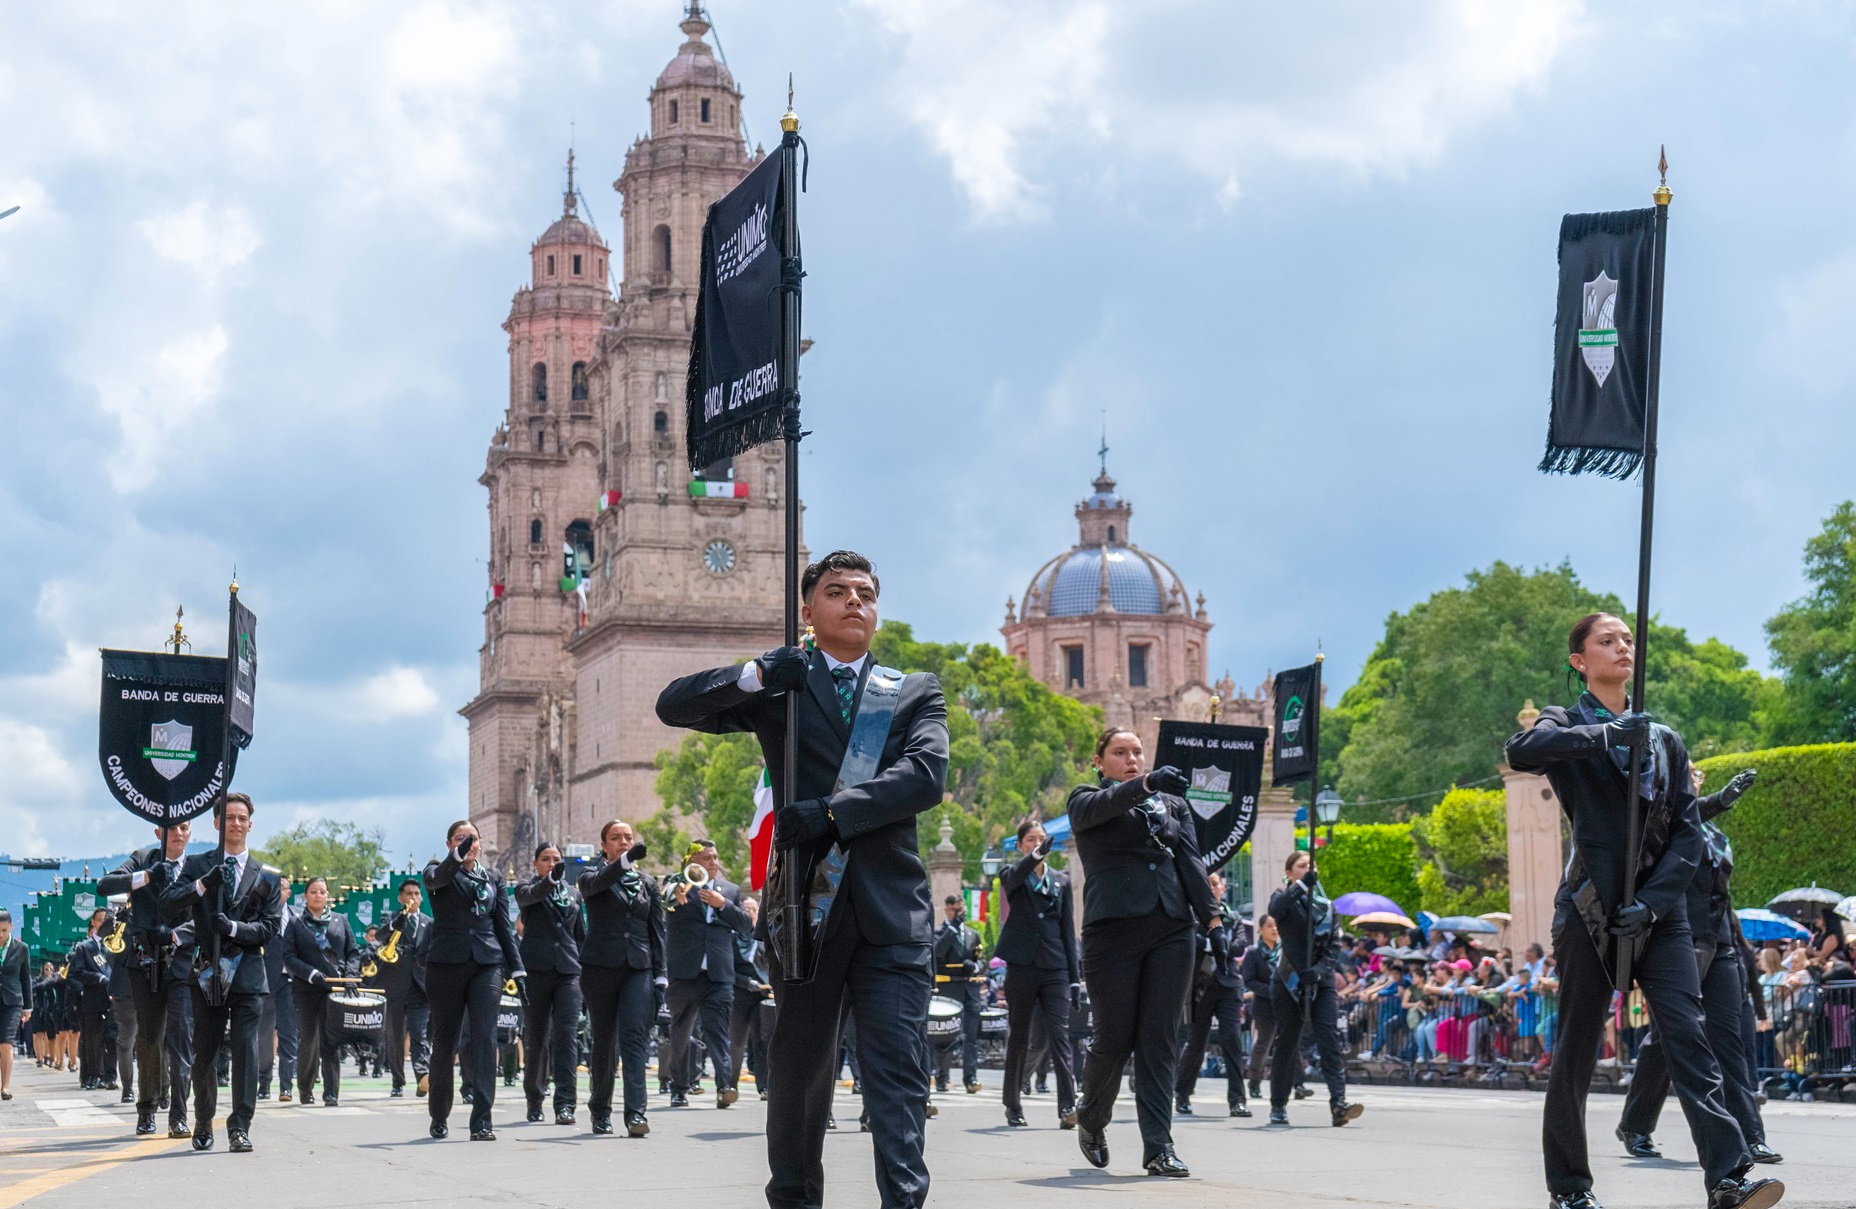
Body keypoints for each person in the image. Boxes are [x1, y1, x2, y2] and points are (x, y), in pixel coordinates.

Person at [657, 549, 949, 1209]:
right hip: (805, 914)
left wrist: (829, 812)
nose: (855, 601)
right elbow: (673, 705)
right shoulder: (785, 685)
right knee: (798, 1079)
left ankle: (904, 1201)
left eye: (866, 592)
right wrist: (755, 674)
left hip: (891, 916)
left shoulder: (912, 690)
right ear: (807, 609)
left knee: (898, 1074)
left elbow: (925, 777)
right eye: (838, 590)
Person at [1506, 612, 1781, 1209]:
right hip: (1589, 908)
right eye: (1606, 641)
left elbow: (1687, 833)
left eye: (1627, 639)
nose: (1622, 647)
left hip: (1660, 916)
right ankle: (1570, 1189)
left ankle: (1729, 1178)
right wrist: (1606, 737)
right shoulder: (1566, 723)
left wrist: (1654, 906)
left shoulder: (1665, 740)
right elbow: (1522, 749)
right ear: (1579, 660)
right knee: (1576, 1048)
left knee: (1690, 1037)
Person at [1067, 726, 1219, 1178]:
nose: (1132, 759)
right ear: (1100, 762)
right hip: (1112, 932)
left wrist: (1212, 920)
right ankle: (1091, 1119)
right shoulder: (1084, 800)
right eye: (1120, 752)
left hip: (1171, 928)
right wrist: (1146, 784)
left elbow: (1191, 860)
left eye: (1137, 752)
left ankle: (1159, 1147)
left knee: (1160, 1038)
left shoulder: (1173, 804)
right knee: (1114, 1038)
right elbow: (1106, 806)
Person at [1618, 765, 1780, 1165]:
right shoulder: (1663, 825)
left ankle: (1751, 1135)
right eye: (1683, 770)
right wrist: (1721, 801)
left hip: (1719, 943)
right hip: (1678, 942)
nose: (1693, 774)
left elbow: (1723, 902)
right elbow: (1681, 818)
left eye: (1695, 771)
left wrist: (1742, 962)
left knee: (1729, 1041)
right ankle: (1636, 1124)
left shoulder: (1719, 837)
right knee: (1667, 1038)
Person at [160, 792, 284, 1154]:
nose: (235, 824)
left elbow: (269, 927)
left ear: (250, 823)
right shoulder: (199, 864)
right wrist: (201, 886)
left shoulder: (268, 875)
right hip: (206, 972)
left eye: (241, 818)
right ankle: (203, 1119)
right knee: (205, 1051)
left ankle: (240, 1126)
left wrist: (231, 928)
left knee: (246, 1051)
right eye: (228, 818)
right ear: (216, 824)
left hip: (247, 973)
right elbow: (168, 903)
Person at [422, 819, 524, 1141]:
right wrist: (456, 856)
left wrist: (517, 969)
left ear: (481, 843)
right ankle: (439, 1114)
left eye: (473, 838)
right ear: (450, 842)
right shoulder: (437, 869)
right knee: (446, 1042)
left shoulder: (493, 877)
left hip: (487, 963)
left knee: (485, 1038)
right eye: (460, 838)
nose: (468, 843)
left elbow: (503, 927)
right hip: (446, 964)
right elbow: (438, 880)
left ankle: (482, 1120)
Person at [96, 821, 194, 1132]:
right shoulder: (143, 858)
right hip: (145, 960)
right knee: (150, 1038)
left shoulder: (197, 865)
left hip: (181, 961)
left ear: (190, 833)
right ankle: (147, 1108)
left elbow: (206, 912)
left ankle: (178, 1114)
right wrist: (147, 877)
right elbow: (105, 885)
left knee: (180, 1039)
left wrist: (179, 934)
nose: (177, 833)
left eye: (183, 827)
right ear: (158, 834)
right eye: (170, 828)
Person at [578, 820, 662, 1137]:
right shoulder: (590, 876)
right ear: (603, 845)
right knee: (604, 1043)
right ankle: (600, 1110)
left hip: (638, 967)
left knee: (634, 1039)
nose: (624, 842)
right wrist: (624, 862)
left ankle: (636, 1114)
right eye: (616, 838)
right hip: (600, 967)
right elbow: (596, 884)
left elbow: (658, 933)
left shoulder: (647, 882)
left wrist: (661, 976)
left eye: (628, 838)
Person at [1266, 851, 1361, 1127]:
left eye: (1311, 865)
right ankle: (1279, 1105)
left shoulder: (1328, 907)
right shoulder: (1283, 897)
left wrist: (1319, 972)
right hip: (1288, 980)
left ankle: (1339, 1104)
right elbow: (1276, 910)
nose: (1309, 869)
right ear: (1290, 872)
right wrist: (1301, 886)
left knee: (1329, 1038)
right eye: (1302, 866)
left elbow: (1333, 946)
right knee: (1287, 1041)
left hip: (1320, 979)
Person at [995, 819, 1079, 1128]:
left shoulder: (1061, 880)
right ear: (1020, 846)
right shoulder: (1012, 875)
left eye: (1041, 839)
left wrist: (1074, 977)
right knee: (1019, 1035)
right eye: (1030, 839)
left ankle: (1067, 1106)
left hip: (1055, 966)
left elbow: (1068, 931)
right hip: (1022, 966)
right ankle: (1012, 1103)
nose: (1037, 843)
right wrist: (1033, 858)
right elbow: (1014, 876)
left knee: (1059, 1035)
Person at [662, 839, 751, 1108]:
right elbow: (663, 905)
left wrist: (722, 904)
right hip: (684, 973)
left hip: (719, 974)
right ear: (692, 862)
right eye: (706, 858)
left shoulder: (731, 891)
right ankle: (679, 1087)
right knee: (681, 1033)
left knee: (718, 1033)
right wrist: (673, 891)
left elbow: (746, 925)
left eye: (714, 857)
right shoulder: (678, 884)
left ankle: (725, 1087)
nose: (713, 863)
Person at [516, 842, 586, 1125]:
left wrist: (585, 968)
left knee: (567, 1038)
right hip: (536, 970)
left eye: (556, 859)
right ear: (536, 864)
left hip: (568, 971)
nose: (552, 863)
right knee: (537, 1039)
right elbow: (531, 898)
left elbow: (579, 935)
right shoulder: (526, 888)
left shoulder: (573, 894)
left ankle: (566, 1104)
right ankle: (535, 1098)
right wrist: (550, 880)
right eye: (546, 859)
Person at [1177, 871, 1251, 1118]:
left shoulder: (1234, 916)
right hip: (1200, 986)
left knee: (1232, 1040)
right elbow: (1191, 941)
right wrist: (1212, 944)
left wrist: (1212, 944)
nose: (1212, 888)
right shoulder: (1192, 914)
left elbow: (1240, 945)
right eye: (1207, 884)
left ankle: (1237, 1100)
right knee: (1197, 1042)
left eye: (1215, 884)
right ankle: (1183, 1094)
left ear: (1223, 887)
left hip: (1228, 984)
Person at [281, 876, 359, 1107]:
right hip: (307, 989)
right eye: (313, 892)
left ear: (328, 896)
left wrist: (350, 978)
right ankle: (305, 1089)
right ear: (305, 896)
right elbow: (289, 957)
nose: (318, 895)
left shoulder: (340, 920)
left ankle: (331, 1092)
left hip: (336, 988)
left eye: (322, 892)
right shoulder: (296, 923)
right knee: (309, 1038)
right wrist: (309, 973)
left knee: (331, 1040)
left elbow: (353, 952)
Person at [378, 878, 432, 1098]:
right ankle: (397, 1080)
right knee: (396, 1036)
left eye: (417, 894)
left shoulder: (429, 922)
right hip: (395, 987)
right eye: (408, 893)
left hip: (420, 988)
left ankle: (422, 1076)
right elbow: (380, 938)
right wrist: (397, 921)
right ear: (401, 898)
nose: (413, 897)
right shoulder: (390, 918)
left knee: (420, 1034)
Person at [931, 896, 984, 1096]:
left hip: (969, 990)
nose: (960, 915)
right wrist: (952, 927)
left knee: (970, 1037)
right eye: (955, 911)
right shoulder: (939, 932)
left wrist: (977, 966)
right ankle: (942, 1077)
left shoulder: (973, 934)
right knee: (946, 1037)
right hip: (949, 990)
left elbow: (981, 958)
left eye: (962, 911)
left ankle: (970, 1078)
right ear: (947, 909)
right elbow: (938, 951)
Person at [730, 896, 774, 1100]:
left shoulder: (766, 936)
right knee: (737, 1042)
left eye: (754, 910)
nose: (751, 913)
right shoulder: (732, 937)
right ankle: (730, 1085)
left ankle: (764, 1086)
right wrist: (746, 983)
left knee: (763, 1041)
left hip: (764, 994)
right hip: (739, 992)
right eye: (746, 910)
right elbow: (726, 968)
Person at [258, 876, 297, 1102]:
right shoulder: (262, 915)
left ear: (289, 893)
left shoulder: (296, 918)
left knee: (289, 1034)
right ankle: (264, 1083)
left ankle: (286, 1086)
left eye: (281, 889)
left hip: (290, 982)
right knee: (264, 1034)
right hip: (265, 982)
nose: (277, 893)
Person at [66, 909, 112, 1089]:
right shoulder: (85, 947)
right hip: (90, 998)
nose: (102, 924)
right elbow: (73, 975)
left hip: (111, 998)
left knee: (111, 1038)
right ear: (93, 922)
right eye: (99, 920)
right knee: (91, 1040)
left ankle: (108, 1076)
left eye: (105, 921)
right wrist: (83, 992)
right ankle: (91, 1075)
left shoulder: (114, 945)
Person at [0, 909, 30, 1101]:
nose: (1, 935)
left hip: (12, 1002)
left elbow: (25, 978)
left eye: (4, 930)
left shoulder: (21, 948)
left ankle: (6, 1087)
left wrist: (28, 1007)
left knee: (6, 1043)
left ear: (11, 927)